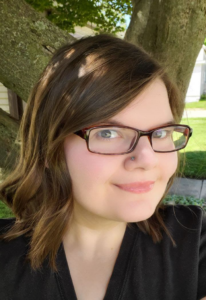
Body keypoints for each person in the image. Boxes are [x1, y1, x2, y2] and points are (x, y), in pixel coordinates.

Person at [0, 34, 205, 300]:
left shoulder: (194, 242)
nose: (147, 158)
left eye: (162, 132)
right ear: (50, 147)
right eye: (108, 133)